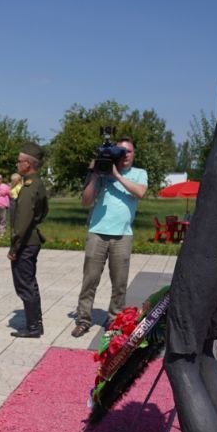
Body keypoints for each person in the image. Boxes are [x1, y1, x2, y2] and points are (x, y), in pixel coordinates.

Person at [72, 137, 148, 338]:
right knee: (90, 279)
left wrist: (117, 176)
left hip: (123, 235)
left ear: (134, 154)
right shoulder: (102, 173)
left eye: (128, 151)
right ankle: (83, 319)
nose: (125, 155)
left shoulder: (139, 174)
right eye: (120, 151)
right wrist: (94, 174)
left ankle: (115, 320)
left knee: (119, 283)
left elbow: (140, 193)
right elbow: (86, 202)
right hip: (97, 232)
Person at [8, 143, 48, 338]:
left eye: (19, 161)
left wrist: (14, 247)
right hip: (31, 239)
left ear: (28, 164)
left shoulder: (29, 187)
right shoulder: (36, 183)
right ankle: (35, 323)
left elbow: (22, 221)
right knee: (29, 282)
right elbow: (43, 212)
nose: (17, 164)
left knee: (25, 284)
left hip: (25, 242)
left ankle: (33, 327)